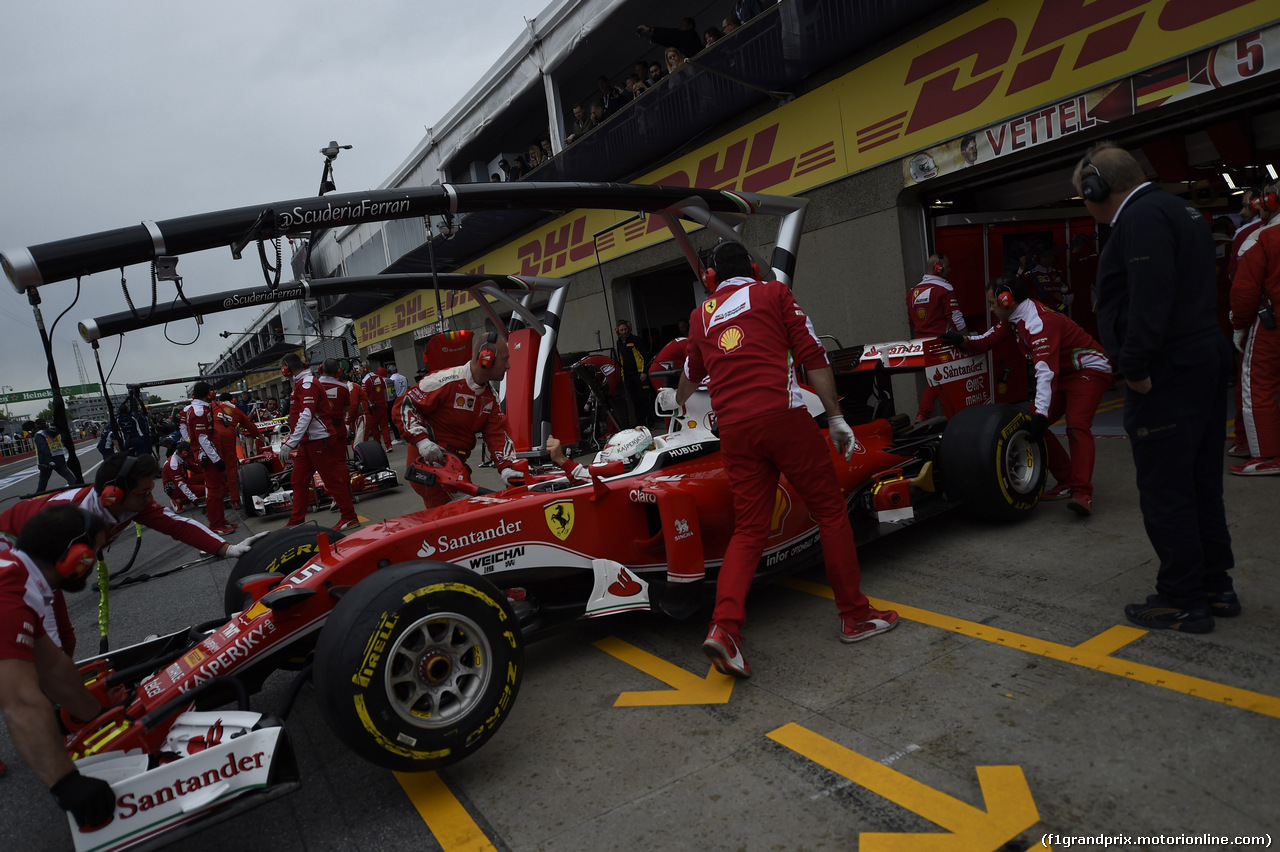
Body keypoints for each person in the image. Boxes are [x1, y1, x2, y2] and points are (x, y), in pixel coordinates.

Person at [666, 241, 897, 677]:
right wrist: (836, 417)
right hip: (784, 418)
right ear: (754, 268)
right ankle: (855, 615)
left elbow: (691, 376)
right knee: (830, 511)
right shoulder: (774, 294)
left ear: (711, 279)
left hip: (735, 431)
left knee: (750, 529)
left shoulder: (701, 316)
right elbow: (814, 356)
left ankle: (724, 628)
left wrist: (676, 404)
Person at [1076, 141, 1235, 633]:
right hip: (1201, 361)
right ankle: (1214, 585)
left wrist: (1137, 364)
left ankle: (1183, 598)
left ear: (1097, 187)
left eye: (1083, 194)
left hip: (1167, 371)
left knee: (1167, 488)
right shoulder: (1180, 210)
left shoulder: (1140, 219)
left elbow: (1151, 295)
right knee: (1200, 481)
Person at [0, 453, 258, 655]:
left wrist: (227, 548)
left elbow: (177, 525)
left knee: (63, 640)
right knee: (50, 636)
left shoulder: (132, 504)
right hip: (12, 548)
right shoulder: (69, 520)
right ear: (114, 495)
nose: (150, 498)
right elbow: (45, 582)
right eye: (144, 493)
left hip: (41, 558)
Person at [943, 277, 1112, 515]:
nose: (991, 309)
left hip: (1087, 369)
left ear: (1006, 300)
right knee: (1028, 422)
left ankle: (1081, 493)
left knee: (1076, 425)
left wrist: (1040, 413)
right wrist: (962, 340)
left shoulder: (1039, 323)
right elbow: (987, 340)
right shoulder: (1013, 318)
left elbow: (1045, 373)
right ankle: (1065, 481)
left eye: (993, 303)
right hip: (1061, 374)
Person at [0, 505, 117, 829]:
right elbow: (21, 702)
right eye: (91, 554)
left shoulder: (18, 578)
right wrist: (66, 783)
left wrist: (100, 716)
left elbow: (52, 667)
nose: (93, 562)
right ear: (73, 556)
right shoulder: (7, 596)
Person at [392, 332, 519, 509]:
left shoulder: (490, 398)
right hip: (430, 464)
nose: (508, 366)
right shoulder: (444, 381)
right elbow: (404, 405)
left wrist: (507, 466)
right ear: (486, 359)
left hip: (457, 467)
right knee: (462, 517)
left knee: (461, 518)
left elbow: (498, 435)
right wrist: (422, 441)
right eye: (504, 359)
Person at [278, 353, 360, 531]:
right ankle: (297, 521)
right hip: (308, 442)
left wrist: (290, 442)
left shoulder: (307, 384)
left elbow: (306, 414)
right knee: (298, 480)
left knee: (332, 481)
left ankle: (350, 517)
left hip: (319, 441)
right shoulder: (302, 383)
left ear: (286, 369)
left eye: (282, 368)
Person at [1228, 210, 1280, 475]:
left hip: (1272, 325)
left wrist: (1239, 324)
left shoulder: (1263, 237)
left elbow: (1245, 289)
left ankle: (1268, 456)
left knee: (1257, 385)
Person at [906, 253, 967, 421]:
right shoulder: (945, 288)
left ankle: (930, 417)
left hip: (920, 346)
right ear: (938, 268)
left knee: (937, 381)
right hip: (941, 344)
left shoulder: (912, 292)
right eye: (947, 266)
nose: (950, 269)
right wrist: (966, 338)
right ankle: (927, 417)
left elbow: (911, 321)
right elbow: (955, 317)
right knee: (939, 380)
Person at [180, 382, 235, 535]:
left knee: (220, 488)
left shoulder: (197, 408)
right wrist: (217, 460)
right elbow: (203, 438)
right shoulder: (199, 411)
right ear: (208, 393)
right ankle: (215, 525)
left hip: (210, 454)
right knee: (213, 491)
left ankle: (221, 520)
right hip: (209, 457)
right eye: (211, 391)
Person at [215, 393, 256, 509]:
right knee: (231, 472)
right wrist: (261, 437)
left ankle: (217, 500)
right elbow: (250, 425)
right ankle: (235, 500)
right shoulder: (236, 410)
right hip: (228, 443)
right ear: (232, 401)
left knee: (214, 473)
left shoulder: (212, 406)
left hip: (212, 444)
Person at [614, 319, 651, 428]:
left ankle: (650, 422)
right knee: (634, 400)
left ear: (628, 329)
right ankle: (640, 423)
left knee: (644, 399)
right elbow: (620, 359)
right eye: (621, 330)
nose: (624, 332)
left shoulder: (636, 340)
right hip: (628, 376)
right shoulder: (619, 342)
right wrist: (622, 375)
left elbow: (644, 356)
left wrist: (643, 372)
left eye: (625, 329)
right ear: (618, 331)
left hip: (639, 374)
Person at [33, 418, 77, 492]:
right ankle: (75, 490)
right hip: (59, 456)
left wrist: (48, 460)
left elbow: (43, 448)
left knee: (43, 481)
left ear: (37, 426)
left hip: (46, 460)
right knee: (68, 475)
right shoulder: (55, 432)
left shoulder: (39, 435)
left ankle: (37, 496)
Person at [161, 440, 204, 512]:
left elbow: (196, 468)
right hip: (175, 489)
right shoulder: (174, 465)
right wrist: (194, 499)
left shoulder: (182, 458)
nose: (192, 453)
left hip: (182, 483)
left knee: (205, 477)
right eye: (191, 451)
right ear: (185, 452)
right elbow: (181, 485)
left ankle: (184, 499)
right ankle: (180, 500)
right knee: (206, 489)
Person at [636, 18, 702, 61]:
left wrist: (651, 29)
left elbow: (671, 33)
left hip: (699, 61)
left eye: (682, 25)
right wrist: (650, 37)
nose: (680, 27)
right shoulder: (682, 40)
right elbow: (668, 41)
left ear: (690, 26)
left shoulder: (691, 34)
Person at [362, 366, 393, 452]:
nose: (360, 372)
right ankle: (389, 445)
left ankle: (378, 447)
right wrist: (385, 402)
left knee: (374, 428)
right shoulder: (379, 378)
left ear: (365, 370)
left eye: (361, 370)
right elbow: (384, 391)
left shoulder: (365, 381)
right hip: (382, 405)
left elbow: (364, 396)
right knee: (385, 426)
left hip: (372, 408)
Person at [388, 364, 409, 444]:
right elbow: (408, 386)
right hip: (405, 398)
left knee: (397, 419)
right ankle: (407, 436)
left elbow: (391, 393)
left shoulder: (391, 379)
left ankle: (399, 438)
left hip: (396, 400)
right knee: (405, 418)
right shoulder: (404, 377)